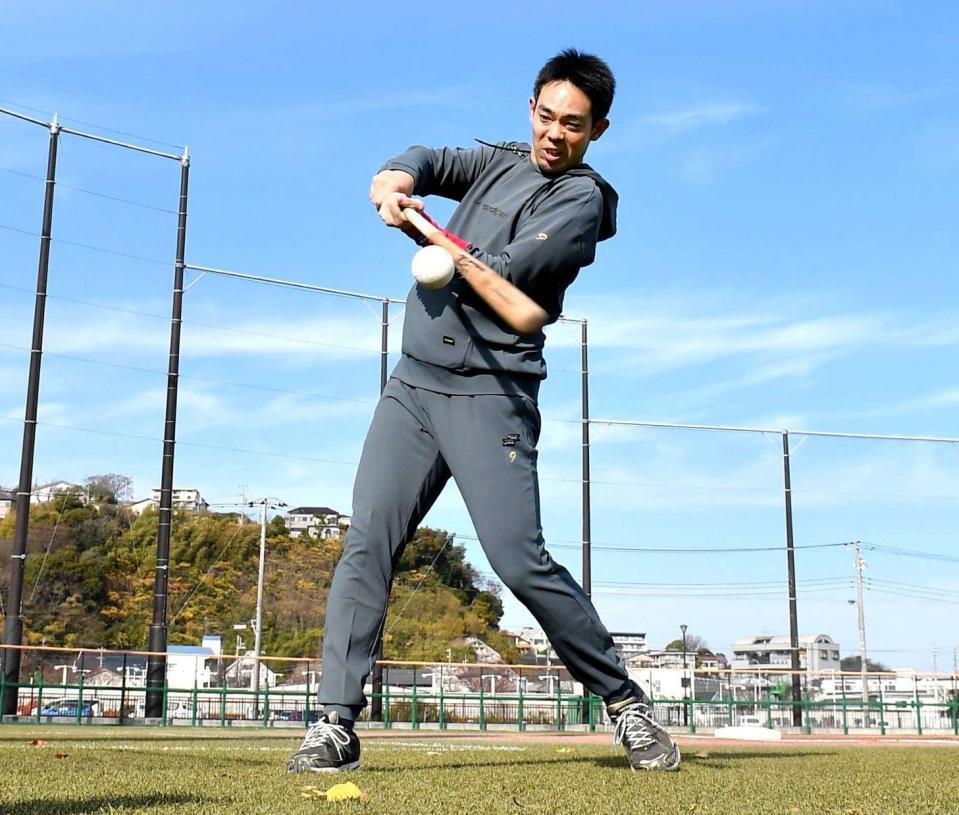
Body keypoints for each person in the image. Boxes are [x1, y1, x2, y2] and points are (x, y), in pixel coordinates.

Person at [288, 49, 680, 774]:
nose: (553, 134)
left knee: (517, 562)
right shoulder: (498, 160)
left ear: (598, 129)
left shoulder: (581, 202)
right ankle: (334, 722)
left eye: (573, 124)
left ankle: (625, 703)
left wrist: (425, 234)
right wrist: (395, 179)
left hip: (491, 392)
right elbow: (429, 159)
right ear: (530, 105)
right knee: (367, 541)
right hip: (413, 385)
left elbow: (505, 289)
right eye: (545, 115)